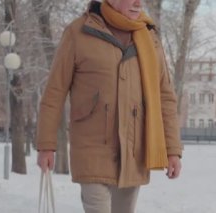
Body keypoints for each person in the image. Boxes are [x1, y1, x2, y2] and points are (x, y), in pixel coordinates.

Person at [35, 0, 183, 212]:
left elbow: (165, 97)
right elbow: (54, 92)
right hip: (92, 150)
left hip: (134, 152)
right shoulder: (78, 32)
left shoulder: (150, 38)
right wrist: (46, 145)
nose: (138, 3)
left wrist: (173, 150)